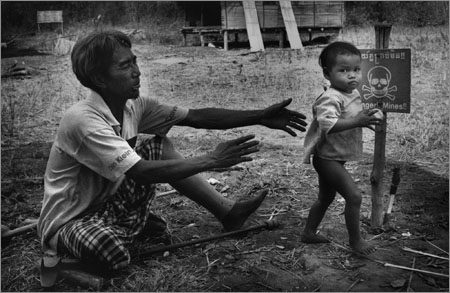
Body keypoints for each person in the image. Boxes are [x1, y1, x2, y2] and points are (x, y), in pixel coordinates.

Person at [37, 29, 308, 282]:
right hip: (72, 218)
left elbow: (197, 117)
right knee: (114, 255)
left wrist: (259, 116)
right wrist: (212, 160)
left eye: (134, 62)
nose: (137, 72)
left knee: (159, 146)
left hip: (107, 202)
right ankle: (65, 258)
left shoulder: (134, 106)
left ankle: (228, 212)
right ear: (98, 79)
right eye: (125, 66)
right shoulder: (83, 120)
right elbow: (140, 172)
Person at [301, 41, 382, 255]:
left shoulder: (351, 94)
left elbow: (355, 114)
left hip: (334, 156)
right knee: (354, 196)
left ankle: (308, 233)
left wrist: (368, 117)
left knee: (325, 198)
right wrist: (358, 121)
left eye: (356, 70)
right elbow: (329, 125)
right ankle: (356, 243)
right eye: (343, 70)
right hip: (327, 159)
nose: (352, 76)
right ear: (328, 74)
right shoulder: (330, 98)